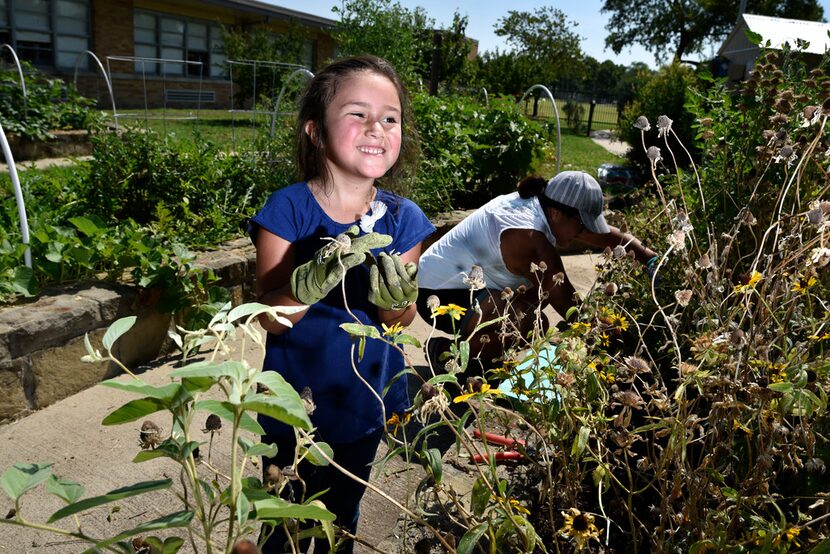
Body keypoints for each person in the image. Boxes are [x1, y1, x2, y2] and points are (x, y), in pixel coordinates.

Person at [249, 55, 434, 553]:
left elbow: (399, 322)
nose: (377, 126)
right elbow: (269, 318)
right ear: (315, 131)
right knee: (281, 521)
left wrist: (396, 303)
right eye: (358, 113)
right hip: (290, 407)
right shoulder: (287, 210)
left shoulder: (404, 219)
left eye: (390, 117)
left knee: (341, 520)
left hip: (362, 404)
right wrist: (304, 288)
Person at [417, 171, 657, 373]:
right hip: (439, 293)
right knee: (530, 323)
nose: (584, 232)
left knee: (533, 302)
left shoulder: (546, 206)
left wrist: (649, 258)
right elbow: (570, 306)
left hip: (467, 282)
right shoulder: (529, 237)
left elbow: (605, 235)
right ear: (557, 213)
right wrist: (610, 343)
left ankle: (479, 350)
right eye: (582, 224)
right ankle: (451, 359)